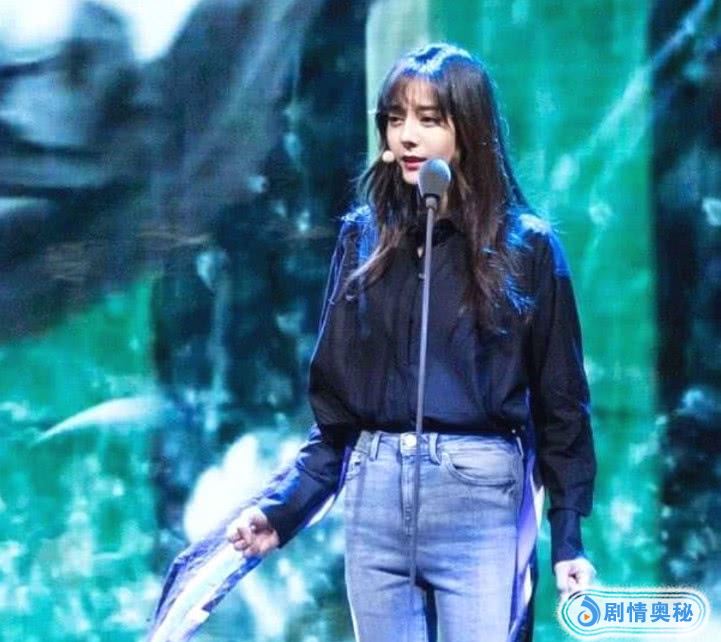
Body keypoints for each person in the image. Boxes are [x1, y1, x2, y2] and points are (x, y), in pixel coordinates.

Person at [226, 42, 596, 642]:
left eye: (428, 119)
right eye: (396, 118)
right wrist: (282, 510)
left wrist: (568, 538)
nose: (407, 135)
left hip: (478, 496)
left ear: (468, 129)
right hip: (374, 494)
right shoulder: (363, 237)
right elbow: (336, 414)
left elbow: (562, 405)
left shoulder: (527, 247)